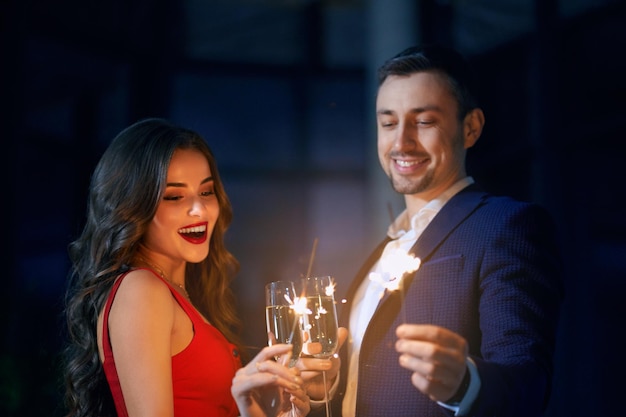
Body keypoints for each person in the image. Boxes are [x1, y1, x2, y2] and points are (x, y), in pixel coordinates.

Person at [311, 44, 564, 416]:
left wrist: (465, 383)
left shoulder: (507, 226)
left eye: (424, 121)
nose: (401, 142)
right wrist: (324, 385)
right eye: (388, 123)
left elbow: (527, 382)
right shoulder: (381, 249)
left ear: (471, 127)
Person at [63, 118, 310, 417]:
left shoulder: (177, 293)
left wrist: (265, 408)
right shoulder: (142, 290)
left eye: (206, 192)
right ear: (133, 205)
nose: (200, 209)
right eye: (174, 197)